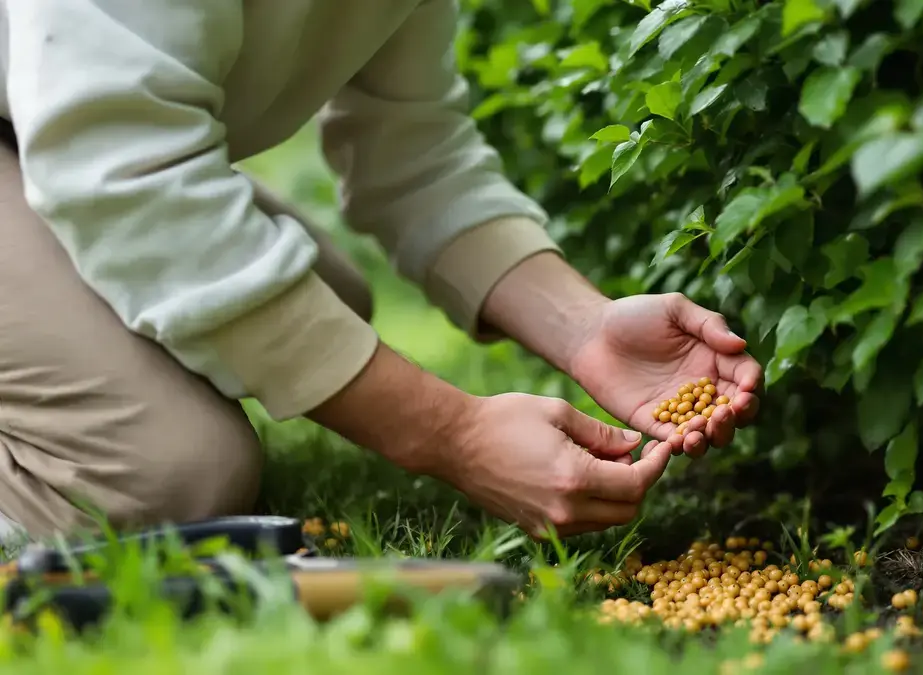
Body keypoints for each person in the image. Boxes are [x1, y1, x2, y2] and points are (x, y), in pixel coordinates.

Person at [0, 0, 762, 542]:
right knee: (165, 472)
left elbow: (412, 148)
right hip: (73, 153)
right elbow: (123, 177)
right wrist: (454, 434)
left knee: (325, 303)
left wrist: (586, 328)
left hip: (46, 139)